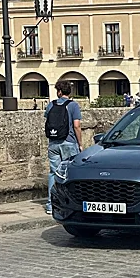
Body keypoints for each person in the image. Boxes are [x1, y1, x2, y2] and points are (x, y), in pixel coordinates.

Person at [45, 79, 83, 215]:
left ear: (59, 92)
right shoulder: (73, 106)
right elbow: (77, 126)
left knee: (53, 173)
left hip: (53, 142)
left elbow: (47, 120)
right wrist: (80, 144)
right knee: (69, 173)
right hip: (69, 142)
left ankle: (51, 204)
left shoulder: (51, 105)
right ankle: (69, 203)